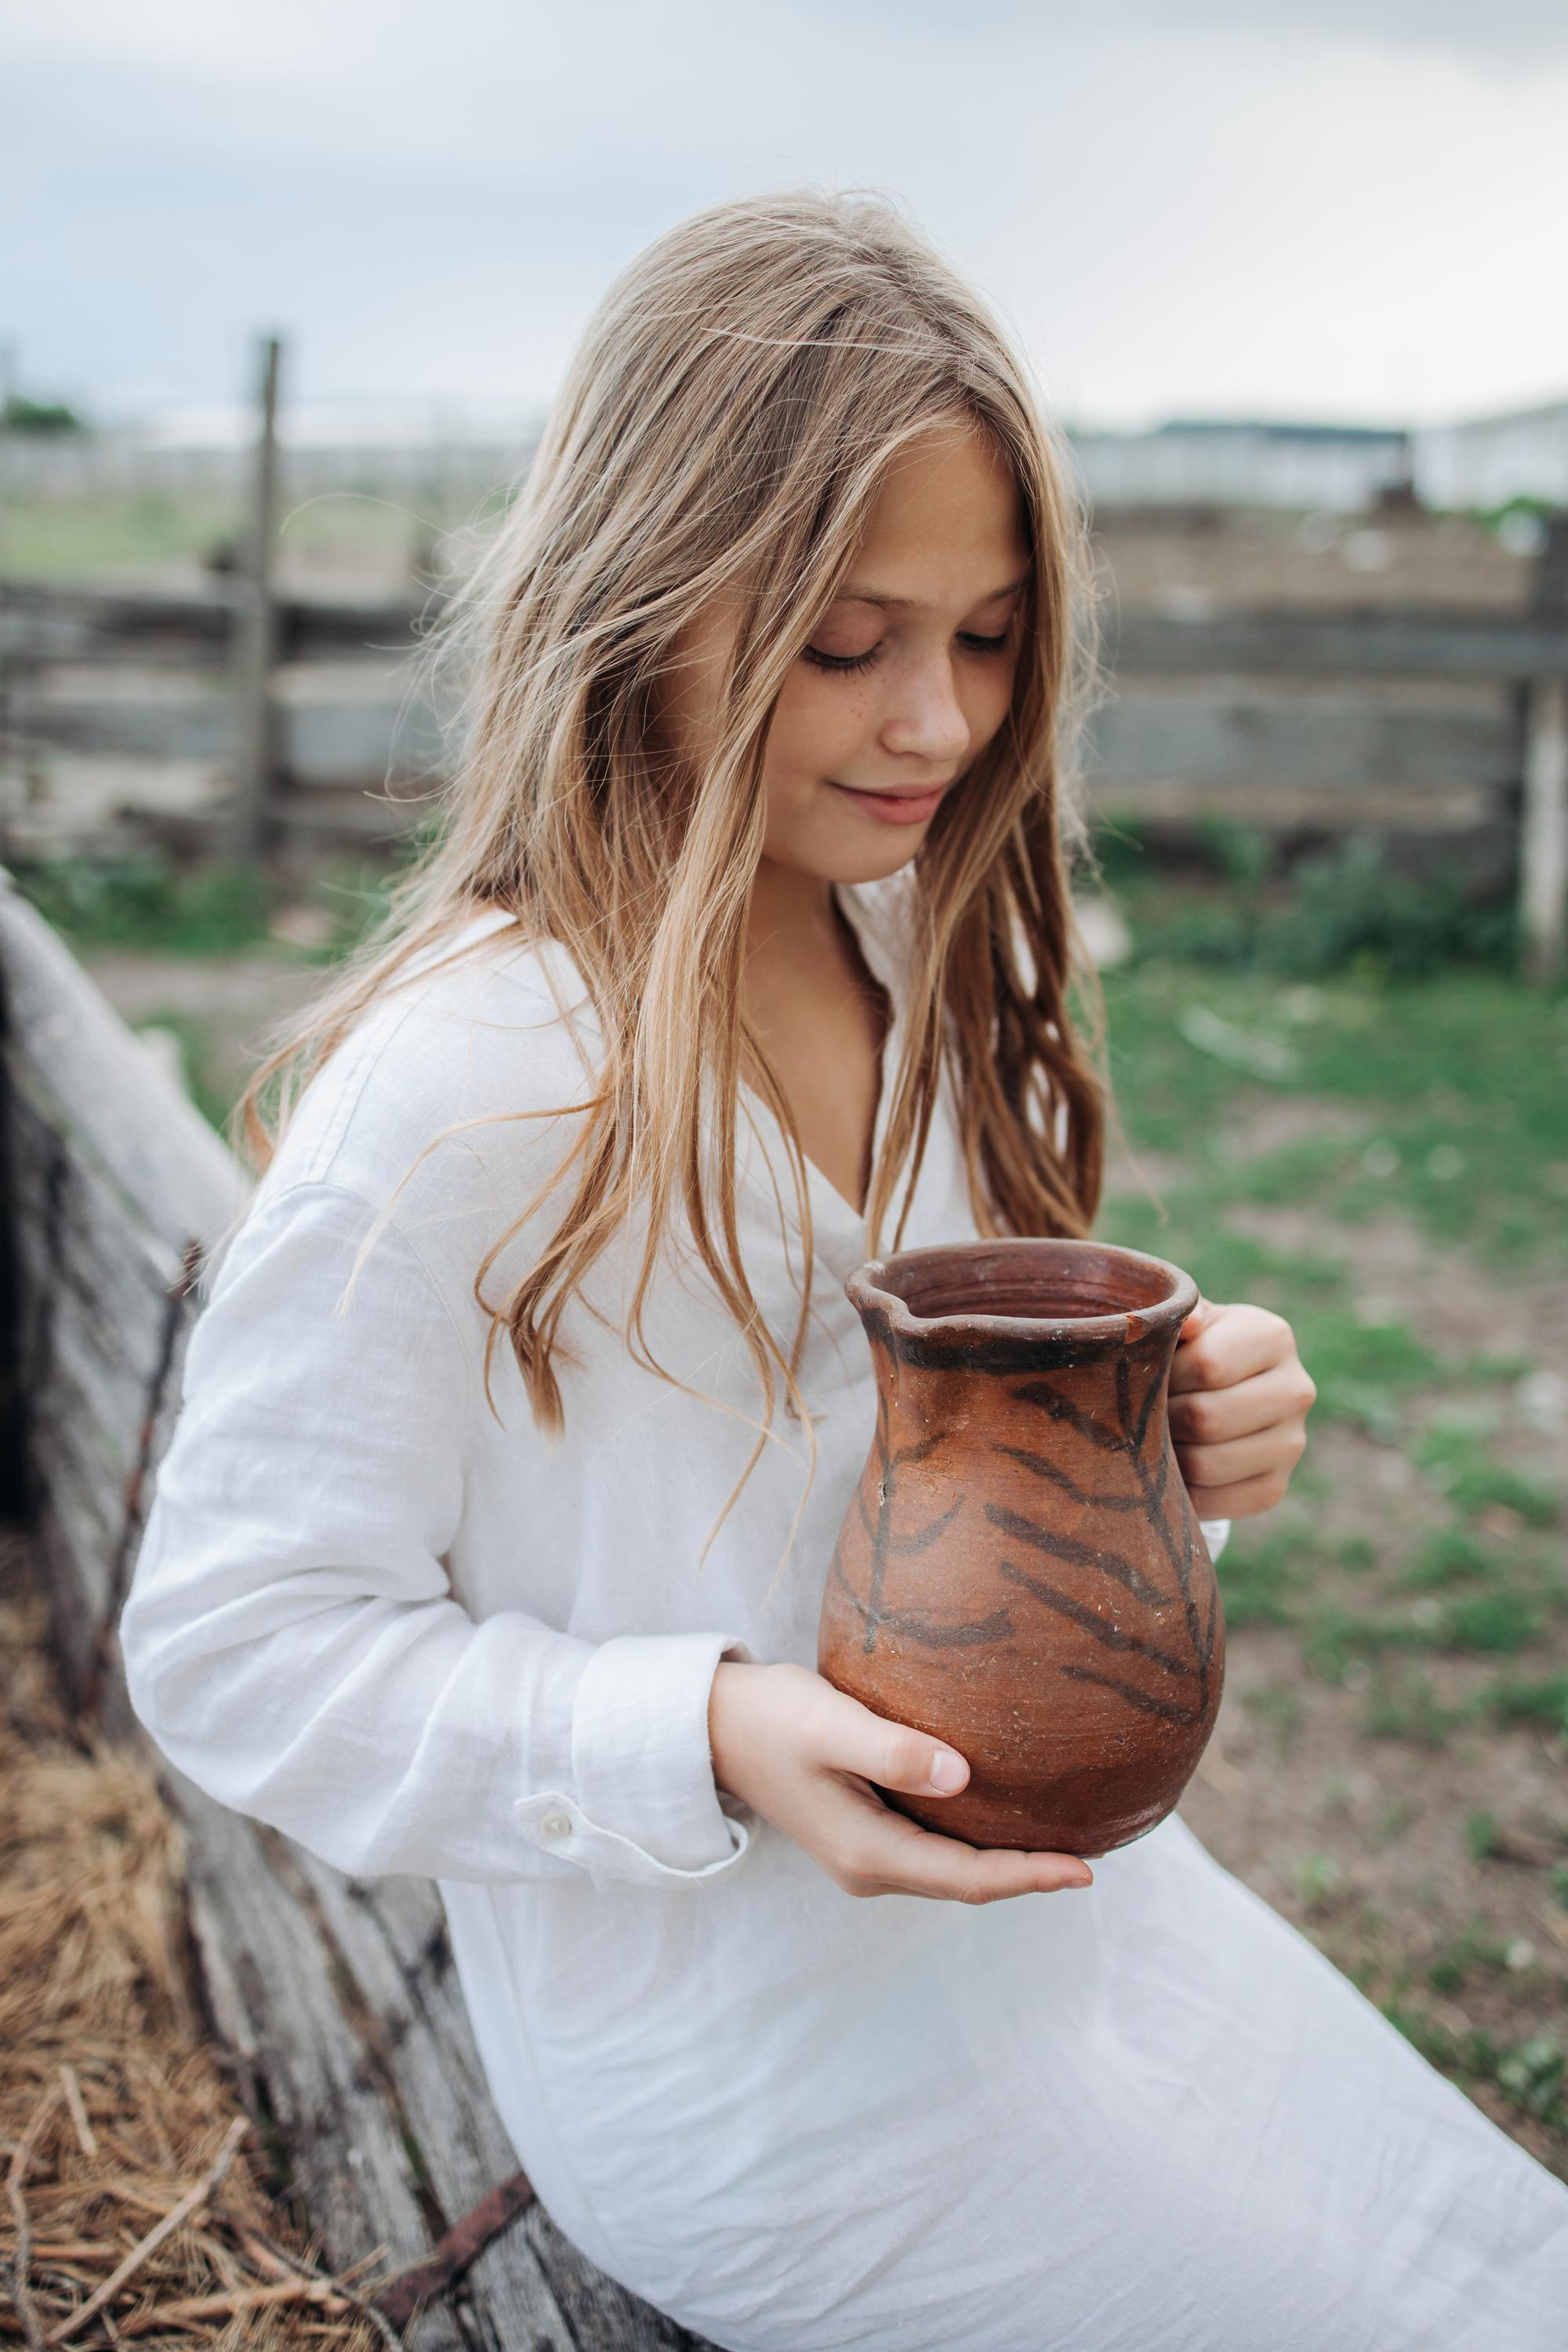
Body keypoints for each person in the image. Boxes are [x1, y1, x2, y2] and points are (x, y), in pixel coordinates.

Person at [119, 192, 1568, 2350]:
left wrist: (1171, 1451)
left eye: (988, 638)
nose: (935, 724)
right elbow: (233, 1644)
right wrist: (694, 1736)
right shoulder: (467, 1085)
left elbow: (954, 1513)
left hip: (1080, 1937)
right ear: (644, 598)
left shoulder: (919, 962)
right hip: (758, 2084)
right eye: (846, 638)